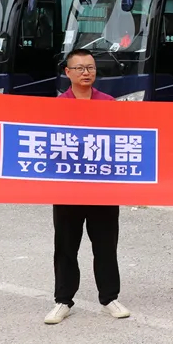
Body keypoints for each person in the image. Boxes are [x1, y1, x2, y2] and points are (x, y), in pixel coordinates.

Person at [45, 49, 131, 324]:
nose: (86, 73)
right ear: (67, 72)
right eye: (80, 68)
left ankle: (109, 297)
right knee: (66, 246)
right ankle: (63, 300)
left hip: (102, 187)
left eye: (91, 68)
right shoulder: (57, 106)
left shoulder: (109, 103)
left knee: (106, 245)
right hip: (68, 188)